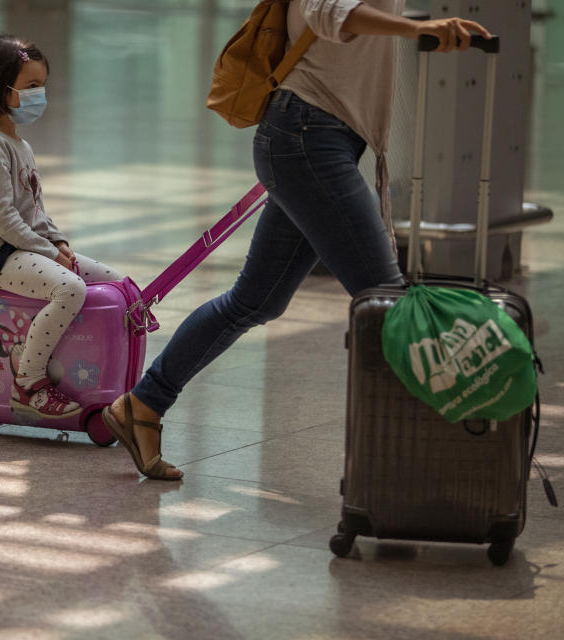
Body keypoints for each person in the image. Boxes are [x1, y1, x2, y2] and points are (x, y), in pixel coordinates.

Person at [101, 1, 493, 480]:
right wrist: (419, 27)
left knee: (255, 300)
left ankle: (143, 404)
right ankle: (429, 464)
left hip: (318, 139)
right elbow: (330, 11)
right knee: (387, 302)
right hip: (309, 136)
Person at [0, 34, 123, 419]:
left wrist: (58, 241)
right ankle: (29, 383)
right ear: (0, 87)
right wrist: (48, 253)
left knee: (114, 281)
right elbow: (3, 219)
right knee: (70, 287)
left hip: (22, 247)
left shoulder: (20, 145)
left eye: (42, 86)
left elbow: (34, 212)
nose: (39, 95)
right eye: (31, 86)